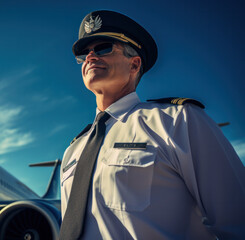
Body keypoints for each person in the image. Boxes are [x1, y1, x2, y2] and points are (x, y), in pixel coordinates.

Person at [59, 10, 245, 240]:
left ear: (135, 64)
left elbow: (238, 221)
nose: (90, 57)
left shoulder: (177, 121)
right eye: (84, 54)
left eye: (103, 48)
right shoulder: (72, 152)